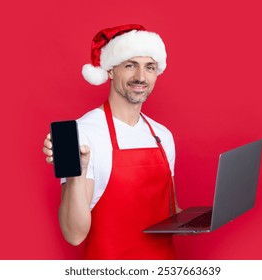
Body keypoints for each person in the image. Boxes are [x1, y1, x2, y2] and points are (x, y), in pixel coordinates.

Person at [42, 24, 180, 260]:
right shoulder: (82, 134)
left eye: (149, 67)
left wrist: (206, 218)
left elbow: (171, 211)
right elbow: (74, 235)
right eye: (130, 65)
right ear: (110, 71)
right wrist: (78, 174)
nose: (140, 77)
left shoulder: (162, 136)